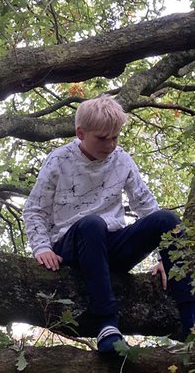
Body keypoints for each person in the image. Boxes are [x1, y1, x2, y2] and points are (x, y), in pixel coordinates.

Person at [23, 95, 195, 353]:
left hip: (112, 246)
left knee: (167, 220)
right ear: (80, 133)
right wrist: (41, 248)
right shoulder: (59, 160)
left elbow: (146, 205)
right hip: (74, 244)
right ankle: (107, 324)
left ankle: (190, 319)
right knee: (92, 224)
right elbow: (35, 209)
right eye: (102, 138)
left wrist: (164, 255)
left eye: (115, 137)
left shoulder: (122, 159)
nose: (111, 144)